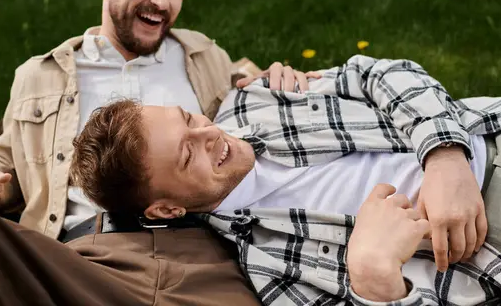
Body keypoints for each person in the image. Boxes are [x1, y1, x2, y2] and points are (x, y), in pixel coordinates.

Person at [0, 0, 302, 237]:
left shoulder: (203, 55)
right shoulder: (40, 76)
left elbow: (250, 104)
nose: (161, 2)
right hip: (88, 244)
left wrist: (277, 77)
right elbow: (8, 163)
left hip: (195, 240)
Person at [70, 54, 501, 304]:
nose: (211, 134)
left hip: (482, 131)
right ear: (167, 209)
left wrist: (444, 157)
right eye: (188, 153)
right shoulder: (267, 264)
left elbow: (376, 74)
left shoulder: (253, 99)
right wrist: (375, 279)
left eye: (189, 118)